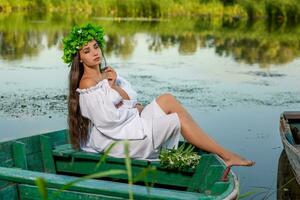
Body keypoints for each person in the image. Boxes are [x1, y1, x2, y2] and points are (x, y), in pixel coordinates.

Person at [63, 23, 255, 167]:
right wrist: (135, 110)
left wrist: (115, 87)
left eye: (96, 46)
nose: (94, 53)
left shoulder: (106, 74)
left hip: (129, 126)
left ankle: (216, 150)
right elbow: (108, 120)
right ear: (80, 57)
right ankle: (225, 155)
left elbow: (132, 97)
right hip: (119, 141)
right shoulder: (88, 83)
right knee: (175, 119)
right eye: (87, 51)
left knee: (167, 99)